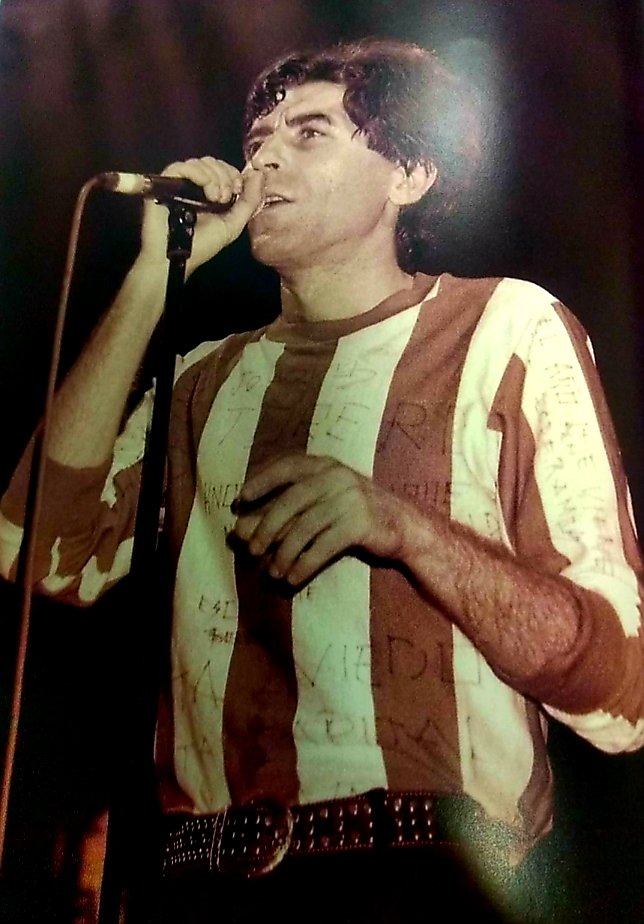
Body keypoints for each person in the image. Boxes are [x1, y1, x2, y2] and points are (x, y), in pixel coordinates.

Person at [1, 37, 644, 923]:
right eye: (258, 134)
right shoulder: (201, 379)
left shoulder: (509, 329)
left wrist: (404, 528)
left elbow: (621, 685)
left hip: (426, 872)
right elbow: (38, 548)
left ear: (408, 173)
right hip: (200, 883)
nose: (263, 155)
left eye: (310, 133)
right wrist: (156, 274)